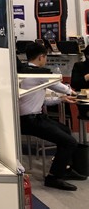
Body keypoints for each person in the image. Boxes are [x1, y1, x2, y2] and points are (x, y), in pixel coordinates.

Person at [18, 42, 86, 191]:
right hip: (30, 120)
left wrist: (61, 99)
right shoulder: (38, 74)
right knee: (69, 142)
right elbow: (57, 85)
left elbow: (39, 100)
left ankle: (64, 168)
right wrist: (71, 92)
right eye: (45, 57)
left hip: (35, 117)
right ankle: (54, 177)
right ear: (41, 57)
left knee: (66, 131)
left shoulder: (24, 72)